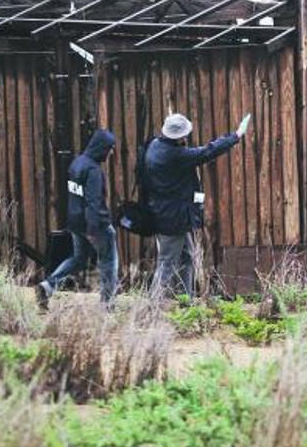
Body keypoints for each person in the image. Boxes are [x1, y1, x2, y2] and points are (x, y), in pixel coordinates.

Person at [145, 112, 250, 298]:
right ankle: (153, 306)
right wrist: (236, 136)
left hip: (169, 214)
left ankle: (188, 299)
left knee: (188, 257)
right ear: (178, 137)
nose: (186, 137)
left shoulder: (155, 146)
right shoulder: (176, 155)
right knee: (167, 262)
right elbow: (206, 151)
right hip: (173, 218)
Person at [37, 130, 119, 310]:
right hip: (95, 226)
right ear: (101, 148)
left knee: (78, 258)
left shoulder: (77, 163)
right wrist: (93, 229)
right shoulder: (94, 171)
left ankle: (48, 285)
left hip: (75, 222)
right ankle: (108, 304)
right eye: (109, 149)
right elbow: (93, 202)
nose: (111, 153)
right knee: (108, 261)